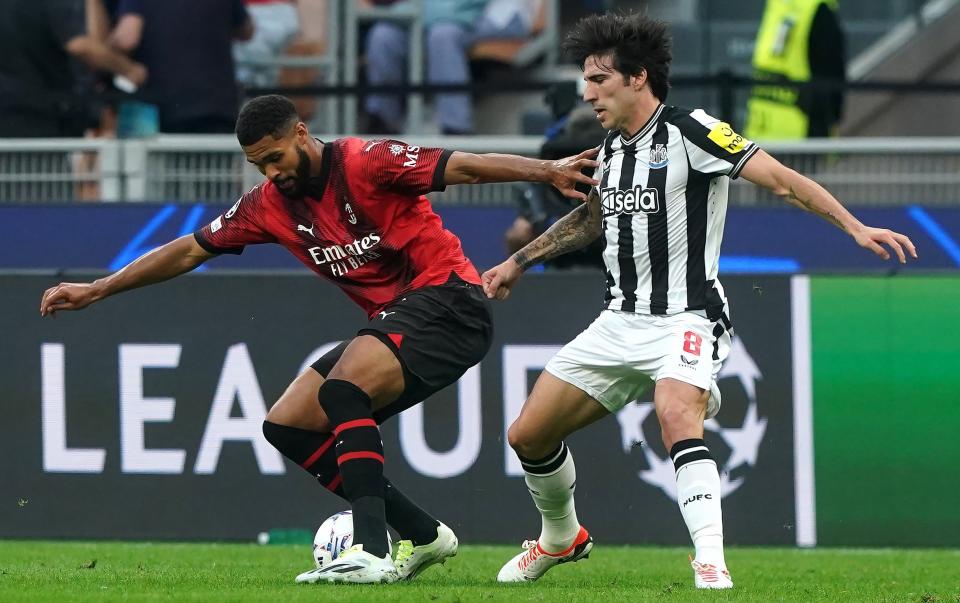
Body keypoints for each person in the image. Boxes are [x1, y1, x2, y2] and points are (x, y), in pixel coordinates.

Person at [39, 94, 598, 585]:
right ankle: (424, 535)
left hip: (450, 301)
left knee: (343, 388)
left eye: (275, 158)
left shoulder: (366, 161)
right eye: (258, 165)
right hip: (401, 320)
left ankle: (370, 549)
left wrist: (545, 170)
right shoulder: (267, 206)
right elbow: (188, 249)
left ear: (300, 133)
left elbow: (465, 167)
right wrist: (101, 288)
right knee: (288, 424)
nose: (270, 173)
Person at [481, 12, 915, 589]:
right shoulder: (611, 147)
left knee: (675, 412)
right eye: (585, 80)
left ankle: (711, 561)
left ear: (638, 78)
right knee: (527, 435)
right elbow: (591, 218)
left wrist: (854, 227)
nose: (587, 93)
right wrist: (519, 261)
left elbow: (782, 179)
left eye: (599, 79)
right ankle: (562, 538)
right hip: (619, 320)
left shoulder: (693, 131)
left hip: (688, 314)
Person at [364, 0, 534, 135]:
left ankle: (456, 129)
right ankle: (383, 122)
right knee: (384, 34)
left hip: (497, 14)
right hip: (434, 12)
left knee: (443, 35)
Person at [0, 0, 146, 137]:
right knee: (42, 162)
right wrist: (128, 69)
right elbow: (79, 45)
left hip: (14, 104)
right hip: (39, 111)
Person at [109, 0, 253, 133]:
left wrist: (102, 50)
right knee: (214, 160)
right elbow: (246, 31)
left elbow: (127, 39)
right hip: (219, 106)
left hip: (164, 106)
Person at [743, 0, 846, 140]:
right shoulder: (817, 8)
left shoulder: (777, 4)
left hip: (762, 130)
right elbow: (831, 75)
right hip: (801, 135)